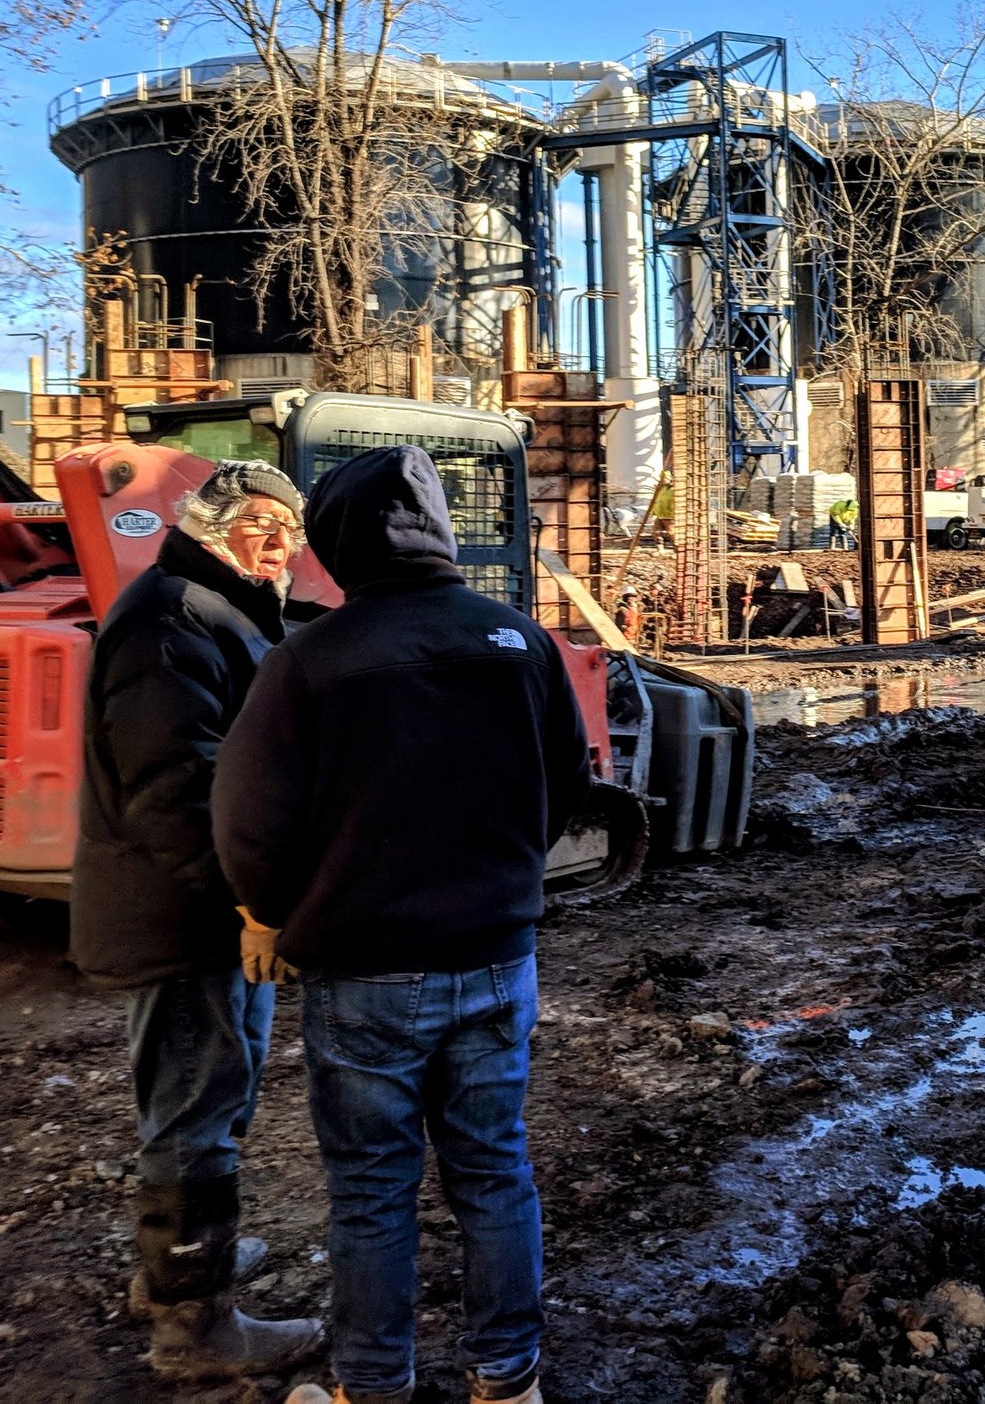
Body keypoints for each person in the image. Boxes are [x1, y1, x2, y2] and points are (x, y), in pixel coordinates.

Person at [215, 446, 591, 1404]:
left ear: (336, 542)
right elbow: (565, 789)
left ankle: (372, 1386)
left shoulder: (310, 659)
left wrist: (270, 910)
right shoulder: (520, 640)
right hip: (497, 955)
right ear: (441, 528)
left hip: (363, 970)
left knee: (374, 1189)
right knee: (496, 1169)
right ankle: (508, 1380)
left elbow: (247, 819)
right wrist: (499, 879)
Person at [69, 463, 324, 1381]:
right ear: (212, 522)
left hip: (190, 910)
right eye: (263, 523)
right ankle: (195, 1325)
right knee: (196, 1110)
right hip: (186, 917)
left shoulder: (206, 607)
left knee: (208, 1095)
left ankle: (174, 1271)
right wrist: (251, 903)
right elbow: (177, 791)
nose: (282, 543)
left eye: (291, 528)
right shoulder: (176, 615)